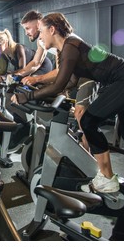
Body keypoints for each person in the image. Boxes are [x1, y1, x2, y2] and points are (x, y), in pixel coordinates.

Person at [12, 12, 124, 194]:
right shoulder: (67, 49)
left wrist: (27, 97)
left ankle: (107, 177)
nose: (40, 35)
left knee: (88, 121)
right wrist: (40, 93)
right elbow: (68, 83)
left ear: (52, 30)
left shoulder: (71, 44)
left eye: (43, 31)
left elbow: (59, 84)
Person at [19, 10, 97, 151]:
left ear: (39, 24)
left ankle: (90, 157)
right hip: (73, 76)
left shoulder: (61, 38)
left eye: (28, 28)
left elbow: (61, 69)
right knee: (55, 101)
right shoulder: (42, 41)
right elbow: (36, 62)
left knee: (81, 115)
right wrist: (19, 75)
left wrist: (37, 79)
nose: (26, 33)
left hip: (86, 75)